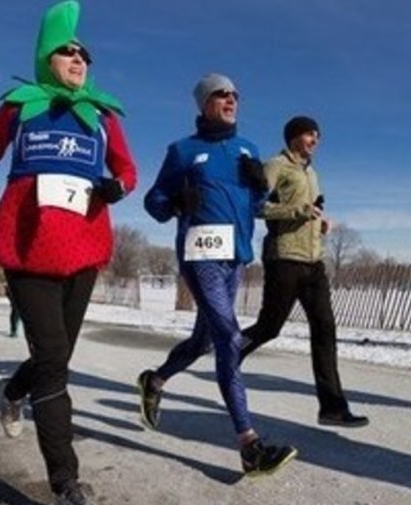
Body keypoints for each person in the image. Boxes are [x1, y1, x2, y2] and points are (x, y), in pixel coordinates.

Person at [0, 2, 137, 503]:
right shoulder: (19, 106)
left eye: (84, 55)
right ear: (46, 58)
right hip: (27, 246)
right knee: (52, 361)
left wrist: (117, 187)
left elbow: (127, 168)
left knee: (56, 354)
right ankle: (65, 480)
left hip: (84, 246)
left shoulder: (102, 115)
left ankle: (11, 392)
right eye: (67, 52)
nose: (79, 59)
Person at [137, 73, 298, 478]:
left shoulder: (248, 149)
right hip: (200, 257)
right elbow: (154, 202)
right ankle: (249, 445)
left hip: (235, 257)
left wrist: (260, 187)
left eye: (234, 95)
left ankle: (154, 381)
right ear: (204, 104)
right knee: (228, 337)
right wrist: (177, 201)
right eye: (220, 94)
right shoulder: (182, 150)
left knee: (203, 340)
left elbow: (255, 205)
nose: (230, 100)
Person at [237, 116, 368, 428]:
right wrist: (297, 211)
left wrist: (319, 222)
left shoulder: (311, 173)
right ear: (294, 137)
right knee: (270, 327)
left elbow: (308, 210)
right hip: (284, 258)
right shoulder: (276, 166)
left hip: (313, 260)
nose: (315, 140)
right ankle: (229, 353)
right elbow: (255, 207)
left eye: (317, 136)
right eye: (310, 134)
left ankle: (332, 407)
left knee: (325, 328)